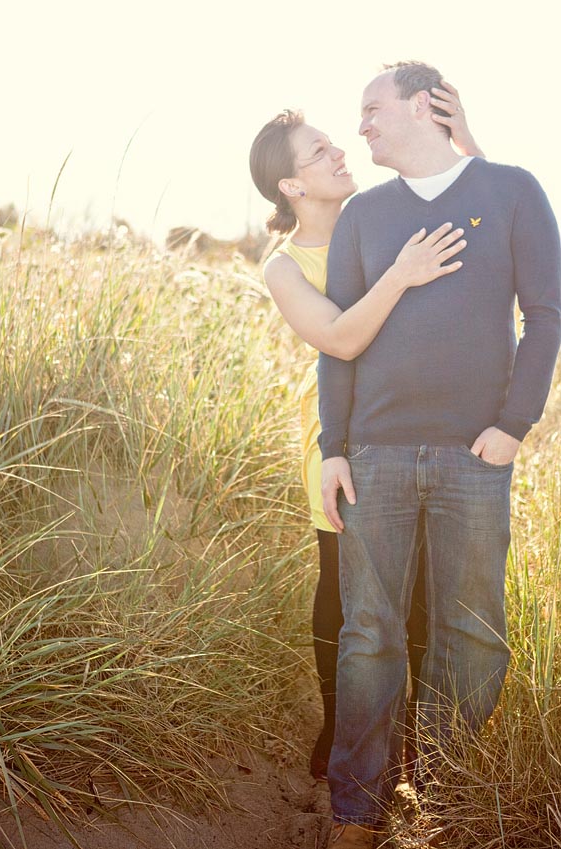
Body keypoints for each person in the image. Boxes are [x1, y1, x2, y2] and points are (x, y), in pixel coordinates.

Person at [318, 61, 561, 848]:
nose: (360, 126)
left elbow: (546, 317)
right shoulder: (361, 215)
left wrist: (514, 425)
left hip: (474, 458)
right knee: (370, 635)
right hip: (376, 456)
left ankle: (442, 797)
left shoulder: (514, 189)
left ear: (424, 106)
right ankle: (356, 809)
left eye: (371, 109)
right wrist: (333, 447)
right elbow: (339, 343)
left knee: (472, 634)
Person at [248, 83, 483, 783]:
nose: (338, 150)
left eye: (333, 141)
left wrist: (465, 140)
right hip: (338, 444)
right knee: (344, 591)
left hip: (425, 431)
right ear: (291, 184)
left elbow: (484, 212)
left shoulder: (386, 215)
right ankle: (340, 719)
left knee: (420, 596)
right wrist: (403, 276)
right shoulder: (284, 267)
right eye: (320, 150)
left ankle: (417, 743)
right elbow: (339, 338)